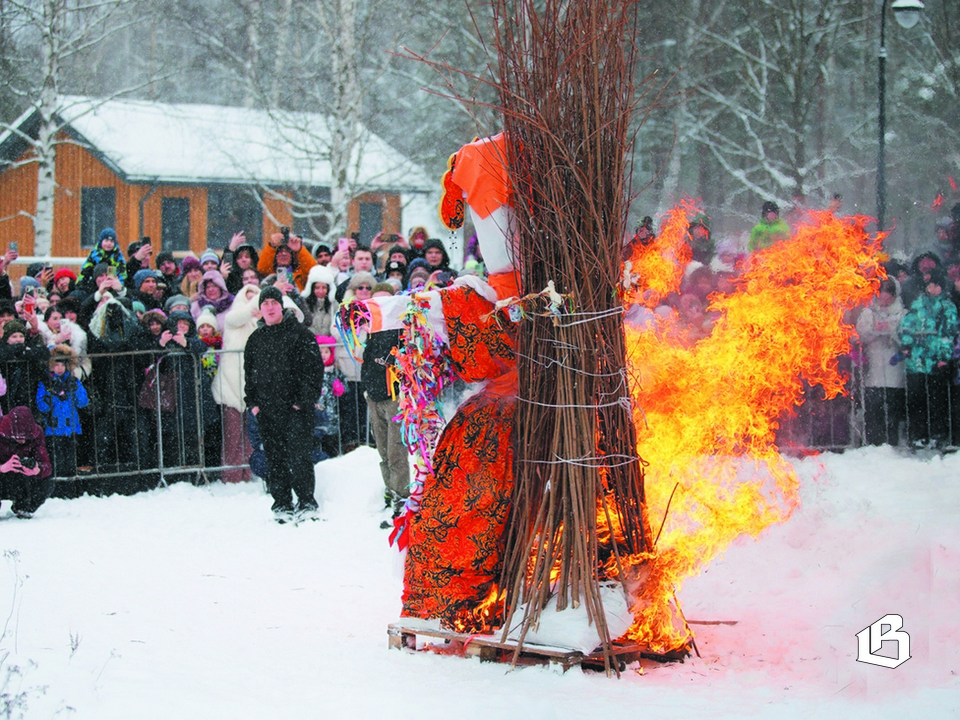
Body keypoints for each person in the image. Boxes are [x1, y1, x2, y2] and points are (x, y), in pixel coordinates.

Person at [243, 286, 325, 521]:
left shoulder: (301, 334)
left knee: (300, 457)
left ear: (282, 306)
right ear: (260, 309)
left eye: (273, 302)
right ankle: (281, 503)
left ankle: (307, 501)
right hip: (267, 411)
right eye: (265, 303)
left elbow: (314, 371)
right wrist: (253, 404)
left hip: (296, 409)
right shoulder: (255, 340)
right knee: (275, 458)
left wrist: (303, 402)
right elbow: (249, 375)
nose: (269, 307)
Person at [361, 285, 408, 522]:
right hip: (375, 396)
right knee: (382, 451)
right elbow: (367, 361)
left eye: (386, 302)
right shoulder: (371, 330)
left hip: (395, 397)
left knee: (396, 450)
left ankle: (402, 497)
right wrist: (368, 388)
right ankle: (391, 492)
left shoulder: (402, 329)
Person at [897, 269, 958, 450]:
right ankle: (918, 434)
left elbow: (948, 333)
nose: (933, 288)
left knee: (937, 400)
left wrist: (943, 356)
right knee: (917, 399)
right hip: (916, 360)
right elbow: (906, 326)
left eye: (937, 285)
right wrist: (906, 345)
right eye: (930, 285)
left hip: (935, 361)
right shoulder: (917, 305)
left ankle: (938, 434)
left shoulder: (947, 307)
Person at [856, 278, 906, 446]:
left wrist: (891, 332)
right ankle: (873, 441)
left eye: (888, 298)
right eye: (881, 297)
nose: (884, 301)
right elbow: (861, 336)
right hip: (874, 365)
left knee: (892, 407)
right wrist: (875, 331)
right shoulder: (868, 312)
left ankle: (892, 441)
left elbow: (907, 338)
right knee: (873, 407)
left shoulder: (902, 314)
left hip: (894, 367)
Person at [36, 345, 89, 479]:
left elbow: (83, 402)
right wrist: (50, 396)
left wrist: (75, 388)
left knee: (71, 458)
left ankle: (70, 485)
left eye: (62, 365)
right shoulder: (45, 383)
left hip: (71, 427)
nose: (59, 368)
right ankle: (58, 486)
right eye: (56, 365)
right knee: (56, 458)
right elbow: (41, 406)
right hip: (53, 428)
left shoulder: (73, 381)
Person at [0, 406, 53, 518]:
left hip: (21, 478)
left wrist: (37, 469)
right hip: (2, 476)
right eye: (19, 437)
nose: (23, 441)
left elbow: (46, 465)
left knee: (46, 482)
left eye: (26, 438)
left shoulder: (37, 434)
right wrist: (3, 467)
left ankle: (24, 508)